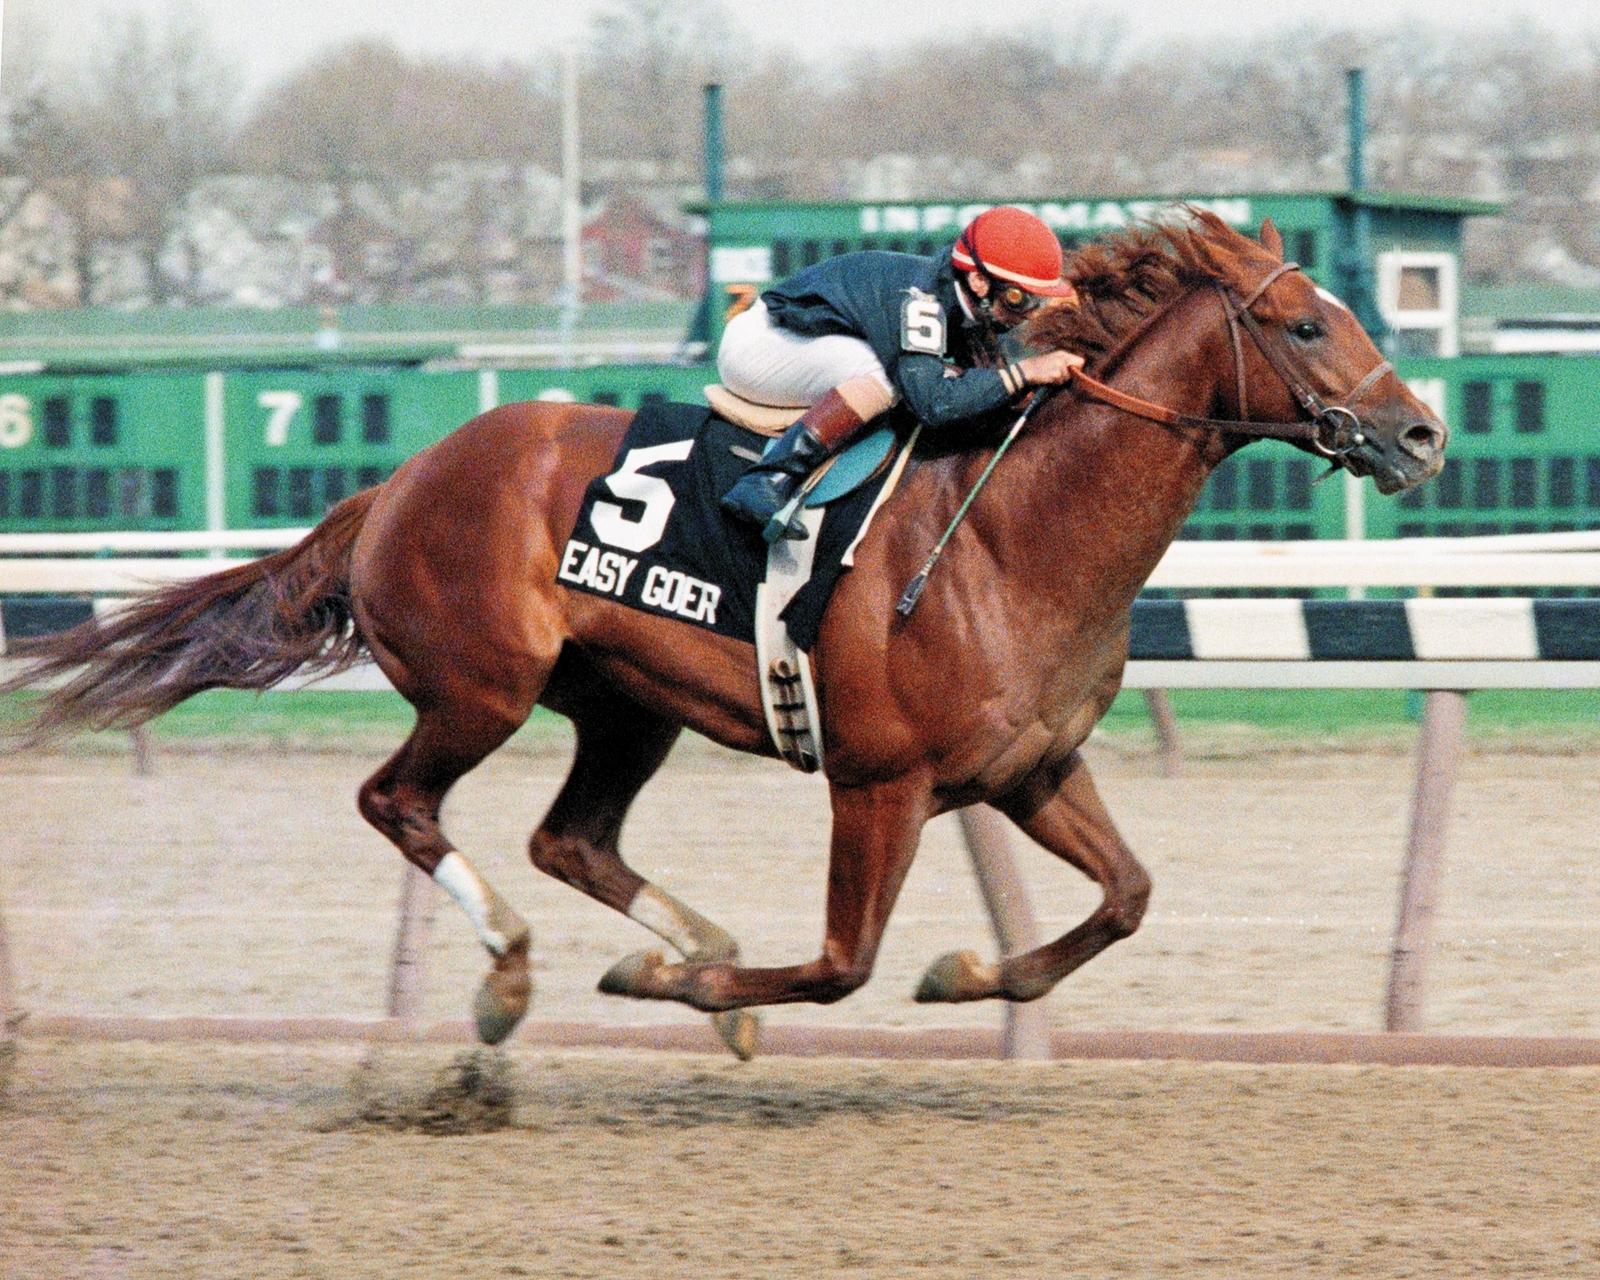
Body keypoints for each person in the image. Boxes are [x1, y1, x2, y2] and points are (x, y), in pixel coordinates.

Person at [717, 205, 1086, 540]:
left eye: (1038, 300)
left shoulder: (963, 304)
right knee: (884, 375)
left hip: (808, 341)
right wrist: (1026, 371)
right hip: (759, 346)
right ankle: (768, 480)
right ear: (978, 281)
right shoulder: (922, 301)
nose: (1029, 313)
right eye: (1019, 299)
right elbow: (933, 404)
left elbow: (983, 395)